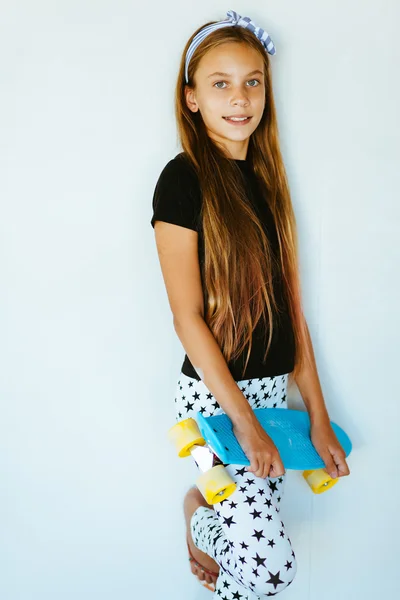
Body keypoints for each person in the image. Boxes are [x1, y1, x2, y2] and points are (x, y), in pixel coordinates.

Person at [150, 9, 350, 598]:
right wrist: (242, 423)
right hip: (217, 396)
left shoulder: (268, 184)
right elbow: (187, 317)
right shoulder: (181, 181)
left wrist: (316, 416)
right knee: (269, 572)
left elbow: (293, 315)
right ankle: (201, 516)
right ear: (191, 98)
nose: (240, 98)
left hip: (270, 393)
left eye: (252, 81)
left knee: (248, 567)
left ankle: (204, 521)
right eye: (220, 83)